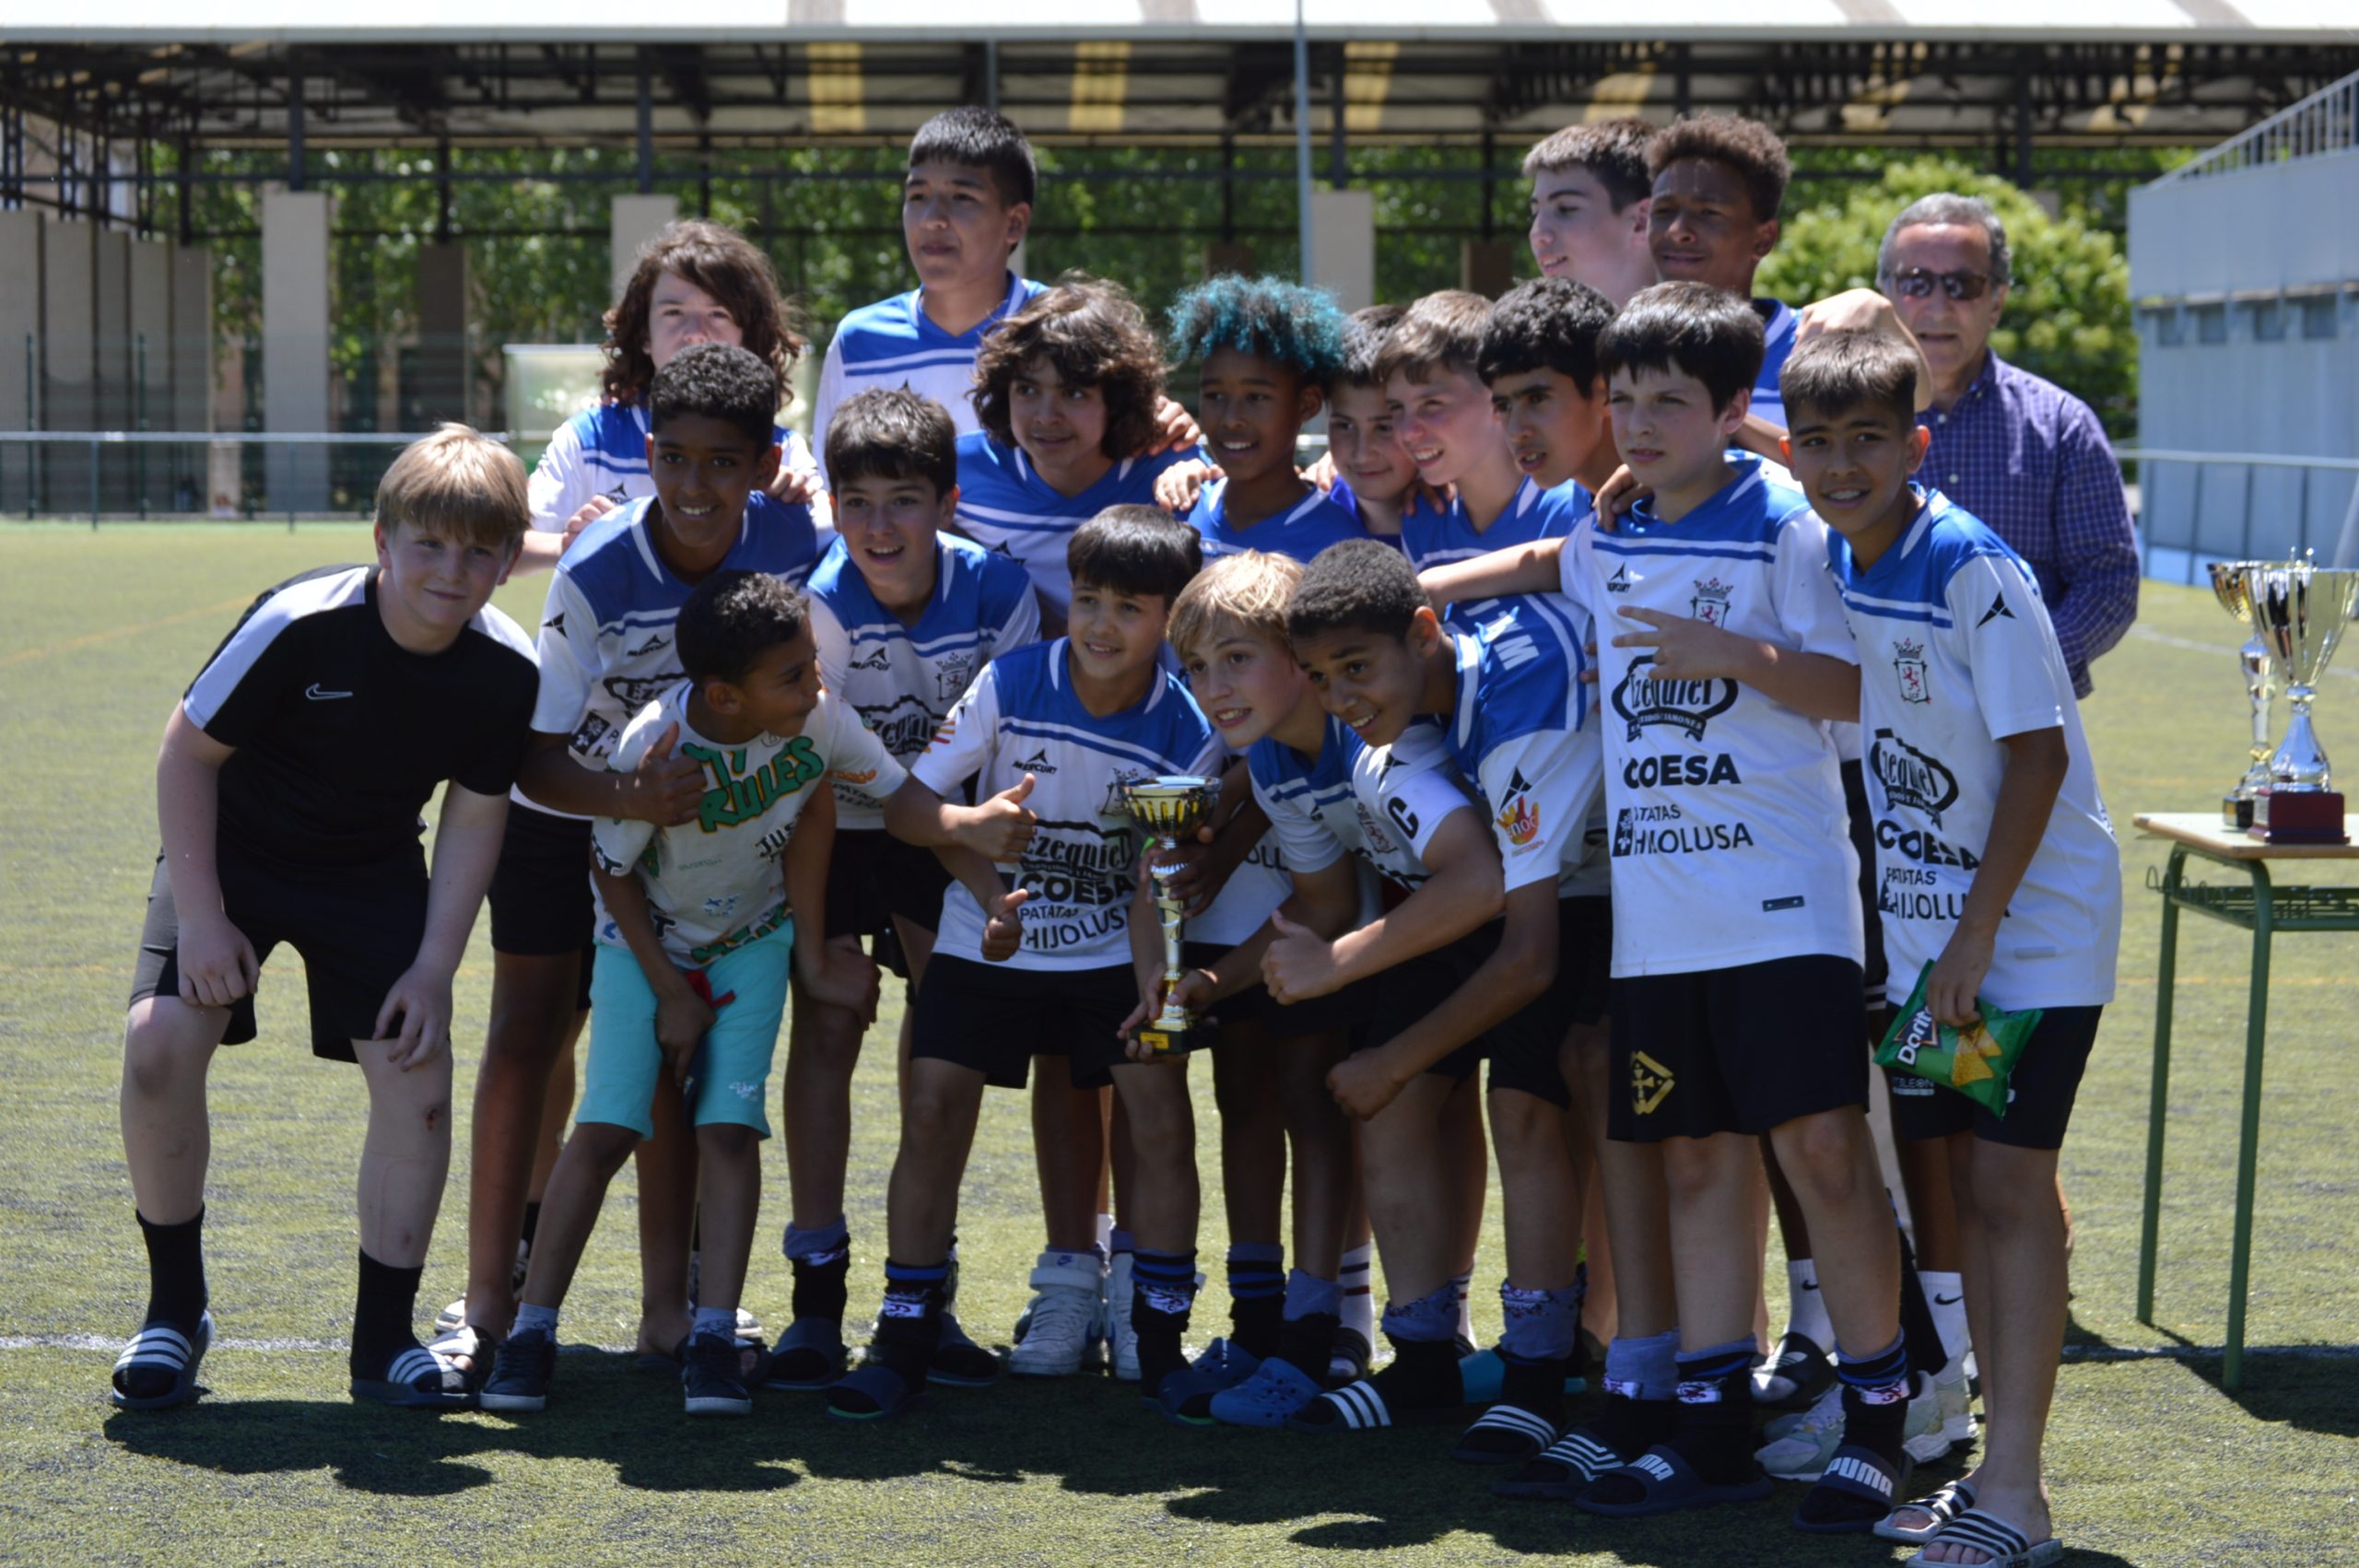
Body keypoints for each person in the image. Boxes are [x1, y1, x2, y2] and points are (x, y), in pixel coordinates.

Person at [442, 218, 818, 1352]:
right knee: (528, 1037)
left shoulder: (798, 547)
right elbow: (533, 752)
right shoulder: (600, 567)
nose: (695, 487)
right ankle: (489, 1299)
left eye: (723, 464)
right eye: (672, 459)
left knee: (686, 1064)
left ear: (761, 462)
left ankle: (679, 1310)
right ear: (643, 449)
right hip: (578, 820)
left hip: (720, 843)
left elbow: (814, 717)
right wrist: (632, 802)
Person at [110, 426, 537, 1413]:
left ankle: (382, 1341)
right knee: (159, 1043)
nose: (451, 568)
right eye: (428, 543)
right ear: (382, 539)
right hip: (236, 853)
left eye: (478, 550)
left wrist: (434, 967)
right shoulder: (301, 621)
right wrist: (207, 918)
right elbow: (186, 755)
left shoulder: (505, 669)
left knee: (416, 1068)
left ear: (509, 561)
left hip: (370, 868)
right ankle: (175, 1313)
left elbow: (475, 816)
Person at [1781, 329, 2119, 1566]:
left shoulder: (1971, 565)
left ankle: (2018, 1496)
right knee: (1973, 1190)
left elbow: (2036, 754)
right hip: (1943, 943)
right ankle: (1989, 1464)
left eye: (1867, 438)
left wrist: (1973, 934)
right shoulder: (1843, 551)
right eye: (1817, 441)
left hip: (2025, 938)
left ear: (1917, 446)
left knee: (2006, 1188)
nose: (1838, 463)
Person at [836, 508, 1221, 1422]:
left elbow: (1152, 883)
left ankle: (1158, 1339)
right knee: (930, 1108)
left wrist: (1150, 990)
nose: (1098, 624)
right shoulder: (1010, 682)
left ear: (1169, 619)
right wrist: (978, 859)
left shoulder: (1189, 726)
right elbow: (911, 810)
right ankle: (904, 1330)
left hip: (1109, 952)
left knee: (1160, 1114)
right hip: (987, 934)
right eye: (1087, 599)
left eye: (1129, 608)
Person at [477, 571, 886, 1417]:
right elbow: (611, 869)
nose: (816, 685)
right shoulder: (654, 748)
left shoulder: (809, 727)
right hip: (641, 953)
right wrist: (670, 991)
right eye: (795, 674)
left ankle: (708, 1338)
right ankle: (529, 1334)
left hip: (749, 948)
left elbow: (836, 805)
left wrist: (811, 949)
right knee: (604, 1132)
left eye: (812, 667)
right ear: (723, 696)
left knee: (731, 1133)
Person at [1156, 549, 1507, 1428]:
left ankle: (1533, 1353)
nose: (1213, 686)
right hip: (1431, 937)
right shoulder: (1274, 764)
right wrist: (1208, 981)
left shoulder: (1377, 742)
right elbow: (1318, 905)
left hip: (1519, 931)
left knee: (1527, 1126)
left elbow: (1479, 880)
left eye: (1236, 658)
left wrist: (1338, 963)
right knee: (1392, 1117)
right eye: (1197, 668)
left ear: (1299, 656)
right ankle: (1418, 1352)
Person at [1283, 544, 1609, 1477]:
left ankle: (1561, 1372)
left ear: (1422, 637)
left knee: (1547, 1112)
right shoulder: (1430, 683)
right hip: (1569, 882)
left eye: (1355, 669)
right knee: (1467, 1102)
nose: (1339, 697)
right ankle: (1473, 1361)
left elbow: (1527, 953)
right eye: (1318, 676)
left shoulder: (1518, 714)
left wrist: (1379, 1043)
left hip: (1639, 887)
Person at [784, 387, 1039, 1389]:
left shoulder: (996, 590)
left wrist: (981, 865)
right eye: (857, 502)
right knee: (830, 1022)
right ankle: (814, 1296)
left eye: (903, 499)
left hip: (945, 829)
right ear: (833, 507)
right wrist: (815, 939)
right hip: (836, 827)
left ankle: (921, 1293)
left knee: (945, 1056)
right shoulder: (817, 603)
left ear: (948, 500)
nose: (879, 525)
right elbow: (823, 786)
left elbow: (1005, 747)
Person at [1876, 193, 2139, 701]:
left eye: (1964, 285)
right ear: (1885, 292)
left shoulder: (2063, 426)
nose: (1937, 303)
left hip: (2027, 717)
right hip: (1873, 708)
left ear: (1997, 300)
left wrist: (2018, 664)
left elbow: (2108, 581)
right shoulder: (1844, 419)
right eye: (1915, 282)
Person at [954, 276, 1202, 626]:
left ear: (1116, 400)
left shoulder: (1171, 475)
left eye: (1073, 393)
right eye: (1027, 389)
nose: (1046, 416)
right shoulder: (957, 471)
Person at [808, 107, 1045, 472]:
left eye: (962, 197)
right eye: (917, 196)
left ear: (1014, 223)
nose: (932, 218)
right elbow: (834, 493)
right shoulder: (858, 342)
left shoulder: (1062, 330)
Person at [1381, 291, 1592, 632]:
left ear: (1495, 395)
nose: (1407, 431)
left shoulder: (1574, 504)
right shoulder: (1422, 519)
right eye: (1396, 409)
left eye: (1431, 404)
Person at [1165, 275, 1369, 565]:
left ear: (1307, 404)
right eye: (1214, 396)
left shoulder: (1340, 548)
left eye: (1256, 397)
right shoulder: (1178, 509)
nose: (1232, 418)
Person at [1643, 113, 1801, 430]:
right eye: (1663, 211)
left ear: (1764, 238)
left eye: (1708, 213)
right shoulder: (1618, 351)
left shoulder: (1810, 349)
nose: (1677, 230)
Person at [1524, 117, 1659, 307]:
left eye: (1566, 209)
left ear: (1641, 220)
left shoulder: (1704, 333)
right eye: (1534, 212)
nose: (1537, 234)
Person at [1321, 306, 1420, 548]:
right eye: (1344, 426)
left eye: (1384, 428)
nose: (1362, 453)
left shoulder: (1464, 515)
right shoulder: (1313, 510)